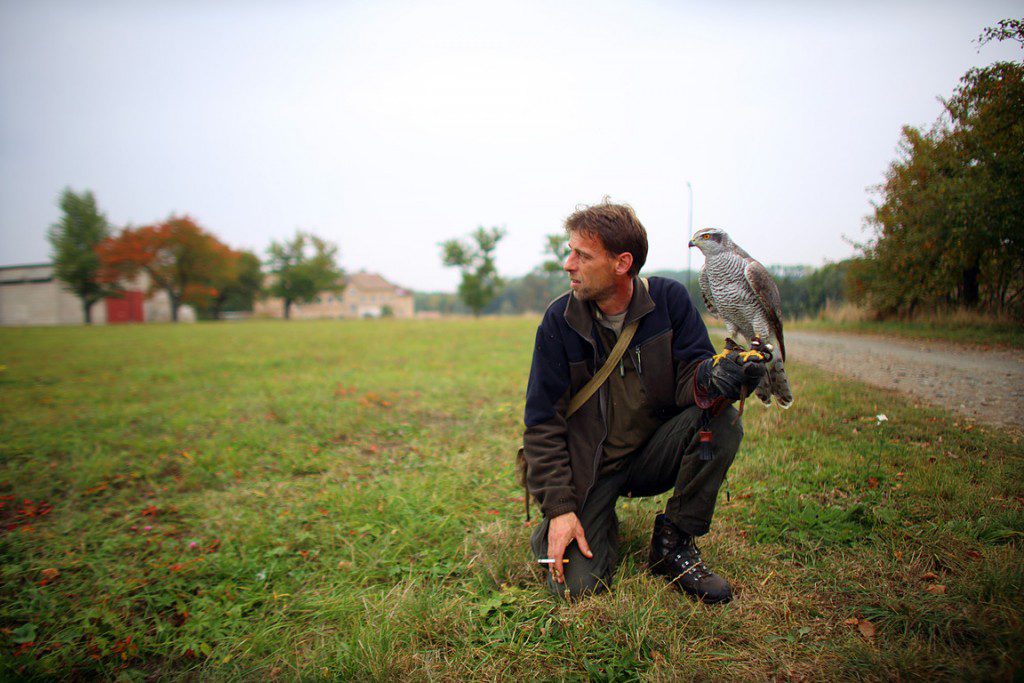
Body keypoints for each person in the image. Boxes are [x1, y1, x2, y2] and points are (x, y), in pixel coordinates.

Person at [521, 201, 764, 603]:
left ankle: (673, 545)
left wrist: (716, 378)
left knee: (720, 420)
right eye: (570, 251)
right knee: (579, 590)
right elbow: (542, 423)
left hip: (652, 454)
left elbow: (693, 374)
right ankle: (576, 520)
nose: (568, 264)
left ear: (622, 263)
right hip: (591, 469)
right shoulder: (558, 323)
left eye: (581, 255)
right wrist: (562, 508)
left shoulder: (668, 301)